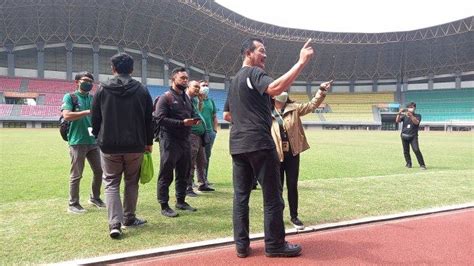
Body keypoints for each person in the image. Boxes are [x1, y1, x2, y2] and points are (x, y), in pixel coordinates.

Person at [227, 37, 314, 258]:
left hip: (238, 145)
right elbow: (275, 88)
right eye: (261, 51)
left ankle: (241, 246)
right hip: (259, 143)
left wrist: (246, 119)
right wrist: (301, 62)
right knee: (273, 196)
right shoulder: (253, 73)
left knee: (240, 197)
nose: (265, 55)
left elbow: (228, 114)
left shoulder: (235, 80)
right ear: (248, 52)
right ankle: (275, 245)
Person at [91, 53, 153, 239]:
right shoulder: (142, 90)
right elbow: (149, 120)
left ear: (113, 69)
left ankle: (114, 224)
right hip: (135, 145)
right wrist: (149, 142)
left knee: (111, 183)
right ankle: (129, 218)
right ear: (132, 69)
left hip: (109, 145)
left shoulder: (102, 89)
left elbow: (95, 118)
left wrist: (97, 136)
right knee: (131, 182)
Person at [270, 81, 331, 230]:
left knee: (292, 185)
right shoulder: (266, 112)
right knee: (277, 187)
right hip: (275, 155)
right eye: (281, 89)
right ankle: (277, 216)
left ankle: (294, 216)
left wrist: (321, 90)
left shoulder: (294, 108)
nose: (284, 91)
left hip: (292, 153)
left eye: (286, 89)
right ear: (273, 95)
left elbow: (312, 105)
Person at [156, 67, 199, 218]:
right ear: (173, 79)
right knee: (166, 173)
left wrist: (194, 120)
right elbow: (159, 119)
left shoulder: (187, 98)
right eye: (182, 78)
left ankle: (180, 201)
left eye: (186, 78)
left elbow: (191, 113)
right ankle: (164, 204)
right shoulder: (165, 97)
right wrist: (182, 123)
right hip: (169, 140)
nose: (185, 81)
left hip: (185, 140)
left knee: (184, 172)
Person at [61, 71, 104, 214]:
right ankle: (73, 204)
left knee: (99, 171)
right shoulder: (70, 97)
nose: (89, 83)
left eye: (91, 81)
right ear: (77, 82)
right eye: (85, 80)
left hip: (93, 141)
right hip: (77, 141)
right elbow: (66, 115)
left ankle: (95, 198)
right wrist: (87, 112)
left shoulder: (93, 98)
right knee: (76, 174)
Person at [186, 80, 207, 197]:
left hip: (199, 136)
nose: (198, 89)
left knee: (202, 161)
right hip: (191, 135)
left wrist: (200, 99)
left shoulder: (194, 99)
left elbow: (200, 111)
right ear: (188, 86)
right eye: (195, 86)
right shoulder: (184, 99)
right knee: (190, 162)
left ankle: (201, 183)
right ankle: (188, 187)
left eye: (199, 87)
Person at [199, 80, 218, 191]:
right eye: (203, 85)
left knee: (207, 156)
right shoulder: (196, 100)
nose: (205, 87)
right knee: (197, 157)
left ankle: (204, 179)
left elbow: (214, 116)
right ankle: (194, 181)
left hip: (210, 133)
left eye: (207, 85)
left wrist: (215, 130)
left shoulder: (211, 101)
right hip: (199, 132)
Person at [395, 102, 426, 170]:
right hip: (404, 135)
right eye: (409, 107)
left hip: (413, 136)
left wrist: (411, 115)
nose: (410, 108)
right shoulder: (404, 116)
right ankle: (408, 163)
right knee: (406, 151)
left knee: (416, 150)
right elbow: (397, 121)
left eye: (412, 107)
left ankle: (422, 164)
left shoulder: (418, 115)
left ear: (414, 108)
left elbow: (416, 122)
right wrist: (399, 113)